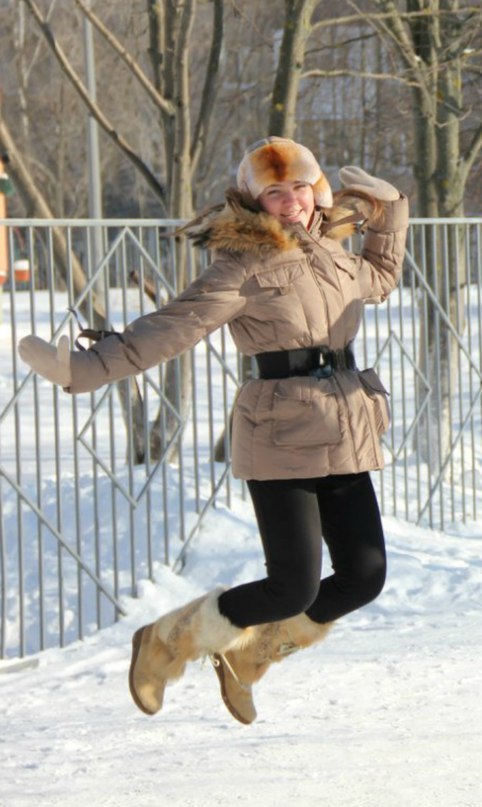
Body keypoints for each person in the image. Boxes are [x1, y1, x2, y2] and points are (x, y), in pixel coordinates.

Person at [19, 137, 409, 725]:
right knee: (293, 589)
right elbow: (171, 328)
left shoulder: (333, 252)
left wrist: (390, 213)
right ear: (253, 202)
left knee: (364, 576)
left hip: (346, 424)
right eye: (274, 193)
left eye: (299, 187)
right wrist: (85, 368)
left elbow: (378, 278)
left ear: (316, 190)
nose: (291, 202)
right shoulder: (242, 266)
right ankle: (166, 642)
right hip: (280, 435)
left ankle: (250, 655)